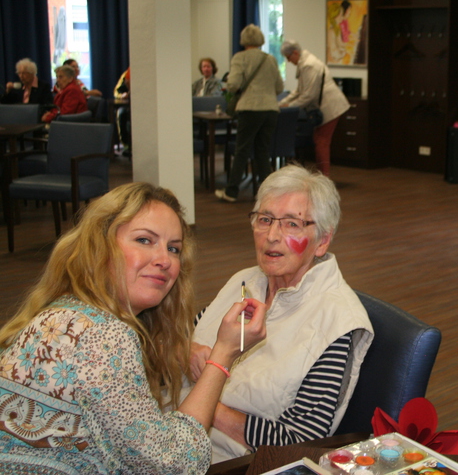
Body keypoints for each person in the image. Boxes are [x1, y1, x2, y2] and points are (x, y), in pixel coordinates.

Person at [0, 182, 268, 473]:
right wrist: (223, 355)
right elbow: (176, 463)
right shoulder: (104, 336)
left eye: (173, 249)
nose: (164, 260)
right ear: (100, 246)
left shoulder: (65, 314)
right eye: (144, 240)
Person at [190, 165, 373, 462]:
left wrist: (203, 402)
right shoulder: (246, 280)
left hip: (228, 461)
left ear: (322, 241)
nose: (272, 236)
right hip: (173, 430)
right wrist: (185, 351)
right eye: (265, 220)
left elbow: (300, 441)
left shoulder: (336, 322)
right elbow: (184, 334)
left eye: (292, 224)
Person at [215, 24, 283, 202]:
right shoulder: (270, 59)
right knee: (263, 151)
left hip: (250, 108)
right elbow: (279, 87)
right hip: (271, 109)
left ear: (243, 40)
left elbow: (233, 85)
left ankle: (231, 191)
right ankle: (268, 193)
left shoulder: (240, 58)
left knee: (242, 150)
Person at [279, 40, 350, 177]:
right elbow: (299, 91)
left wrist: (290, 107)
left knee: (322, 141)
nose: (288, 61)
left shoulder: (309, 65)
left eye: (288, 57)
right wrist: (283, 103)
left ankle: (323, 178)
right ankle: (321, 176)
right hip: (325, 106)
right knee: (320, 140)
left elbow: (308, 96)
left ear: (295, 53)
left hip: (330, 106)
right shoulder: (305, 63)